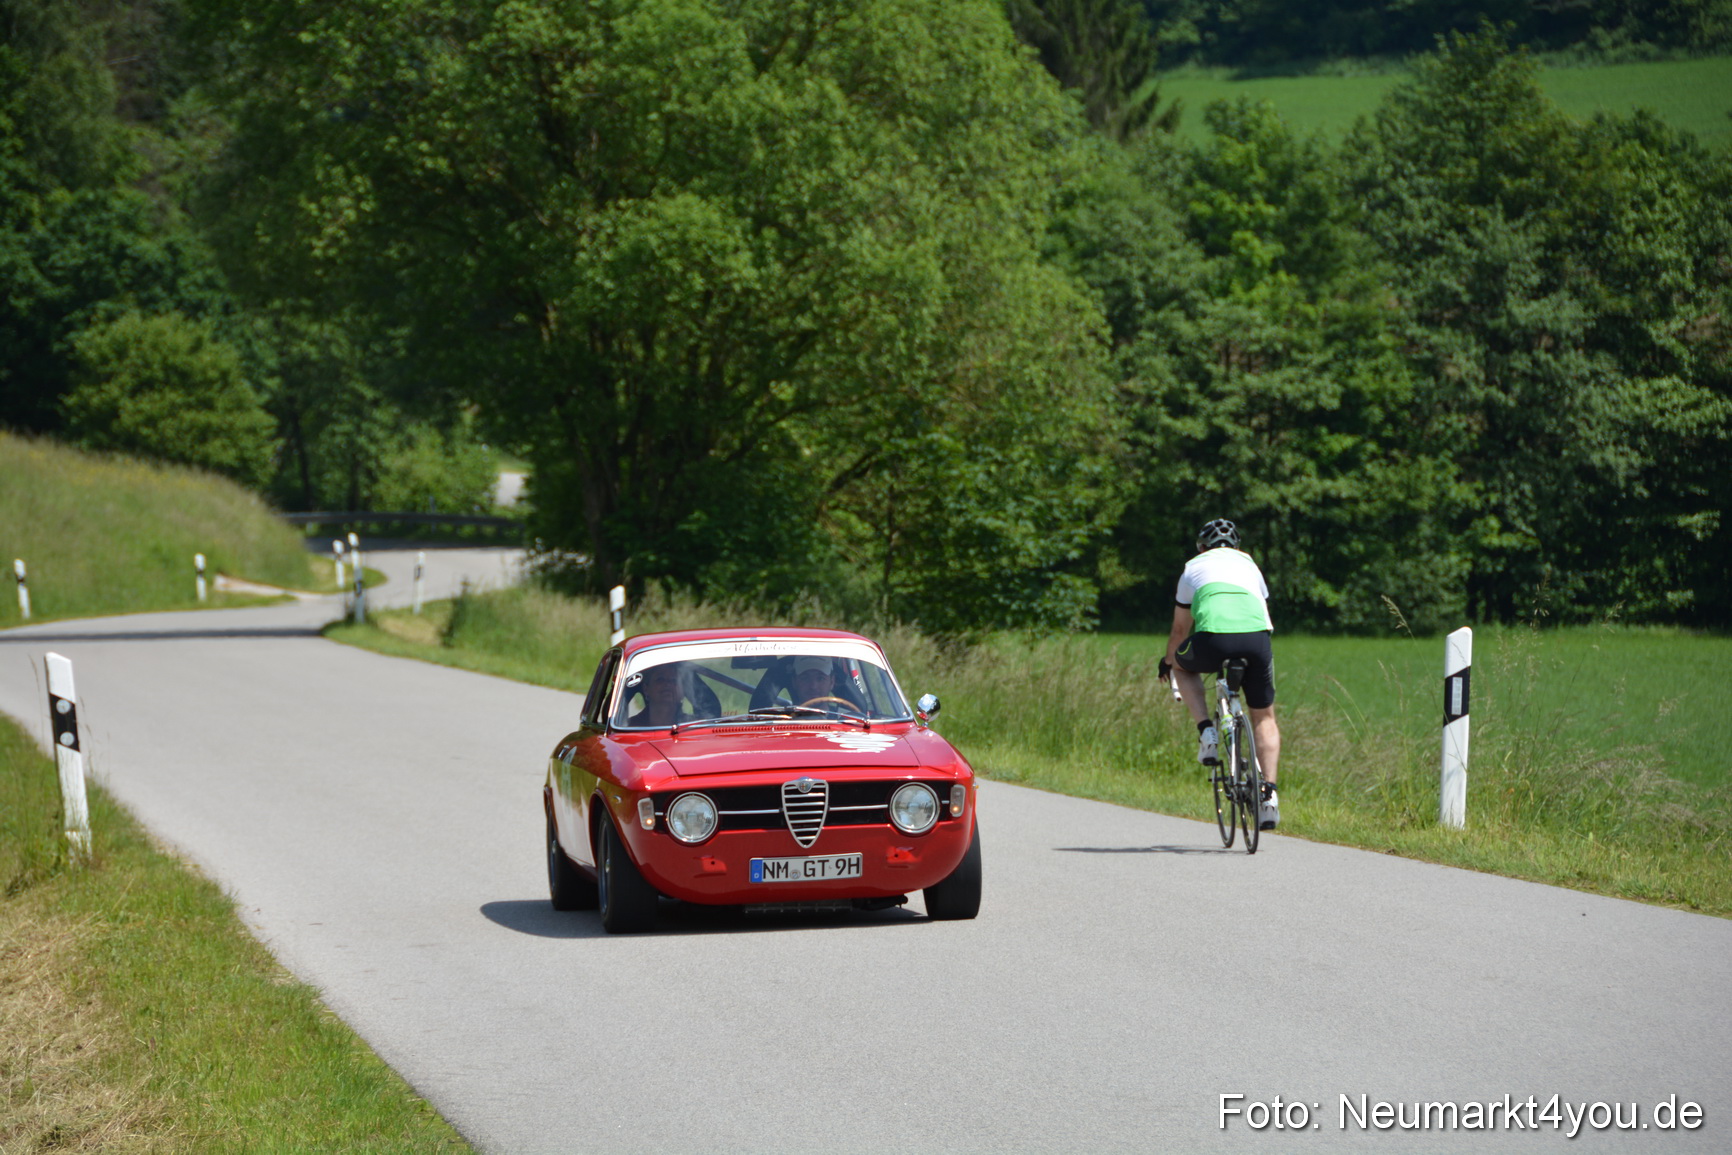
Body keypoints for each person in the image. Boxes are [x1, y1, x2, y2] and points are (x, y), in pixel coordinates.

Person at [1158, 518, 1282, 830]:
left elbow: (1179, 629)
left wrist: (1167, 661)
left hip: (1213, 638)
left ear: (1202, 547)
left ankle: (1206, 731)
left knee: (1181, 665)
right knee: (1264, 718)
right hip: (1256, 639)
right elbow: (1262, 606)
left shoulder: (1192, 567)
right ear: (1237, 547)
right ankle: (1270, 795)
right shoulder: (1250, 564)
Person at [628, 663, 689, 727]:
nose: (667, 684)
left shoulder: (692, 725)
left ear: (682, 692)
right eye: (660, 679)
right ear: (646, 689)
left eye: (674, 680)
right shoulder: (630, 726)